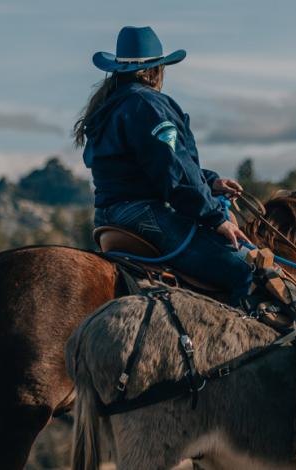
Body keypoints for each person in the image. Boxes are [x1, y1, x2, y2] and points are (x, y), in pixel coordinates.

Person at [75, 26, 254, 304]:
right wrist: (215, 218)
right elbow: (173, 169)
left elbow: (149, 164)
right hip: (143, 215)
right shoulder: (148, 104)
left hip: (108, 217)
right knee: (248, 270)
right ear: (156, 70)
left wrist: (209, 182)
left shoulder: (110, 106)